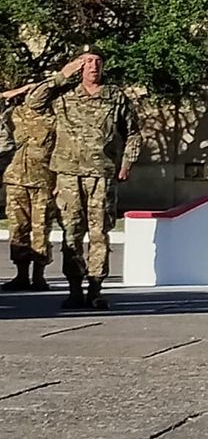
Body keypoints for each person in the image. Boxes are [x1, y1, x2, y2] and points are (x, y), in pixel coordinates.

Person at [26, 49, 140, 310]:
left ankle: (96, 289)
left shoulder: (115, 97)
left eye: (98, 62)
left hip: (101, 175)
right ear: (78, 67)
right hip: (68, 175)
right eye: (87, 62)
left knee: (99, 233)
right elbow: (33, 102)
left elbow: (133, 133)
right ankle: (74, 289)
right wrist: (62, 75)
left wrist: (127, 163)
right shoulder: (63, 95)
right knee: (71, 233)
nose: (93, 67)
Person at [2, 81, 54, 292]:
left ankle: (39, 277)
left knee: (41, 228)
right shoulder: (12, 115)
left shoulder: (54, 118)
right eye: (30, 92)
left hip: (43, 180)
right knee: (18, 229)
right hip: (15, 179)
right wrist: (10, 93)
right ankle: (21, 275)